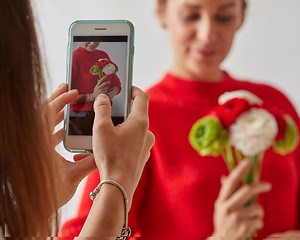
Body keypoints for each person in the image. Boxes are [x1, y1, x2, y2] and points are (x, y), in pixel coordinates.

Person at [60, 0, 300, 239]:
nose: (207, 35)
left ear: (241, 17)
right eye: (190, 15)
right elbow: (84, 234)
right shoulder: (136, 120)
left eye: (224, 17)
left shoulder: (275, 104)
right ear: (162, 13)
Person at [0, 0, 154, 238]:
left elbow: (116, 84)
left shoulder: (103, 55)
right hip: (82, 113)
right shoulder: (77, 56)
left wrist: (35, 200)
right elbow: (78, 94)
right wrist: (118, 183)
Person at [69, 41, 122, 134]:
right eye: (88, 38)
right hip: (81, 115)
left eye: (97, 39)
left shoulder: (103, 55)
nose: (93, 43)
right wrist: (92, 96)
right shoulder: (74, 57)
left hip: (105, 111)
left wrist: (111, 94)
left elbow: (116, 82)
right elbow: (68, 98)